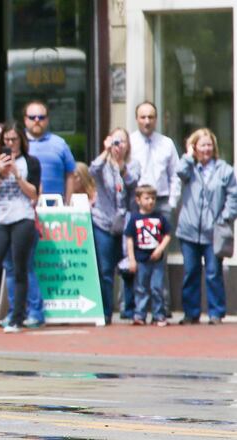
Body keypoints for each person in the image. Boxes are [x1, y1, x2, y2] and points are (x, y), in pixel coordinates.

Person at [0, 122, 41, 334]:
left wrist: (17, 174)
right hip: (1, 219)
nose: (10, 144)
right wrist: (0, 173)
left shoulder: (31, 162)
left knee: (20, 269)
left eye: (14, 139)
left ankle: (17, 318)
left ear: (21, 140)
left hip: (23, 217)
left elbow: (33, 194)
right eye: (7, 140)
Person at [13, 100, 75, 327]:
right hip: (25, 212)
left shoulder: (59, 144)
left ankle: (37, 311)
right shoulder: (18, 146)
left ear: (48, 119)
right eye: (32, 117)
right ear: (24, 120)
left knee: (50, 264)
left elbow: (71, 174)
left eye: (41, 117)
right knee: (24, 264)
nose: (37, 121)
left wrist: (67, 204)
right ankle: (23, 311)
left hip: (54, 213)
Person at [176, 128, 237, 325]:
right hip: (189, 230)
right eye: (202, 144)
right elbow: (179, 172)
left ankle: (216, 313)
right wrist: (188, 155)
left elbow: (233, 196)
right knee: (191, 272)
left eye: (209, 144)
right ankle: (190, 313)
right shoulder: (189, 168)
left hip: (214, 232)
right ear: (194, 147)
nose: (206, 149)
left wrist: (225, 217)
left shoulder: (225, 170)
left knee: (213, 273)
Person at [129, 101, 180, 317]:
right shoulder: (130, 142)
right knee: (134, 257)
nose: (147, 121)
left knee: (159, 257)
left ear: (156, 119)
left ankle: (161, 307)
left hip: (161, 202)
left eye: (151, 117)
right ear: (137, 119)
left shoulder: (166, 143)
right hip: (137, 203)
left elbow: (175, 174)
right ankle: (134, 308)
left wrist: (172, 203)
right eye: (143, 117)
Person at [90, 128, 140, 324]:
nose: (119, 145)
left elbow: (132, 183)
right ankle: (106, 311)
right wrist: (106, 151)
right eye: (116, 141)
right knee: (105, 269)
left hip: (126, 222)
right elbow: (92, 170)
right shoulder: (103, 164)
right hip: (103, 220)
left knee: (128, 268)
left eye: (123, 141)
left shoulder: (132, 164)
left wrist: (121, 166)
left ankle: (130, 308)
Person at [125, 185, 171, 326]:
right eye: (147, 198)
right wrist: (131, 259)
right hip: (141, 259)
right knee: (141, 288)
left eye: (153, 198)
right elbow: (130, 239)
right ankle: (140, 314)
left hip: (156, 259)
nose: (150, 201)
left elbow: (168, 235)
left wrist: (160, 249)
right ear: (138, 200)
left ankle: (158, 314)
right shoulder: (134, 218)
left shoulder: (160, 218)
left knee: (157, 287)